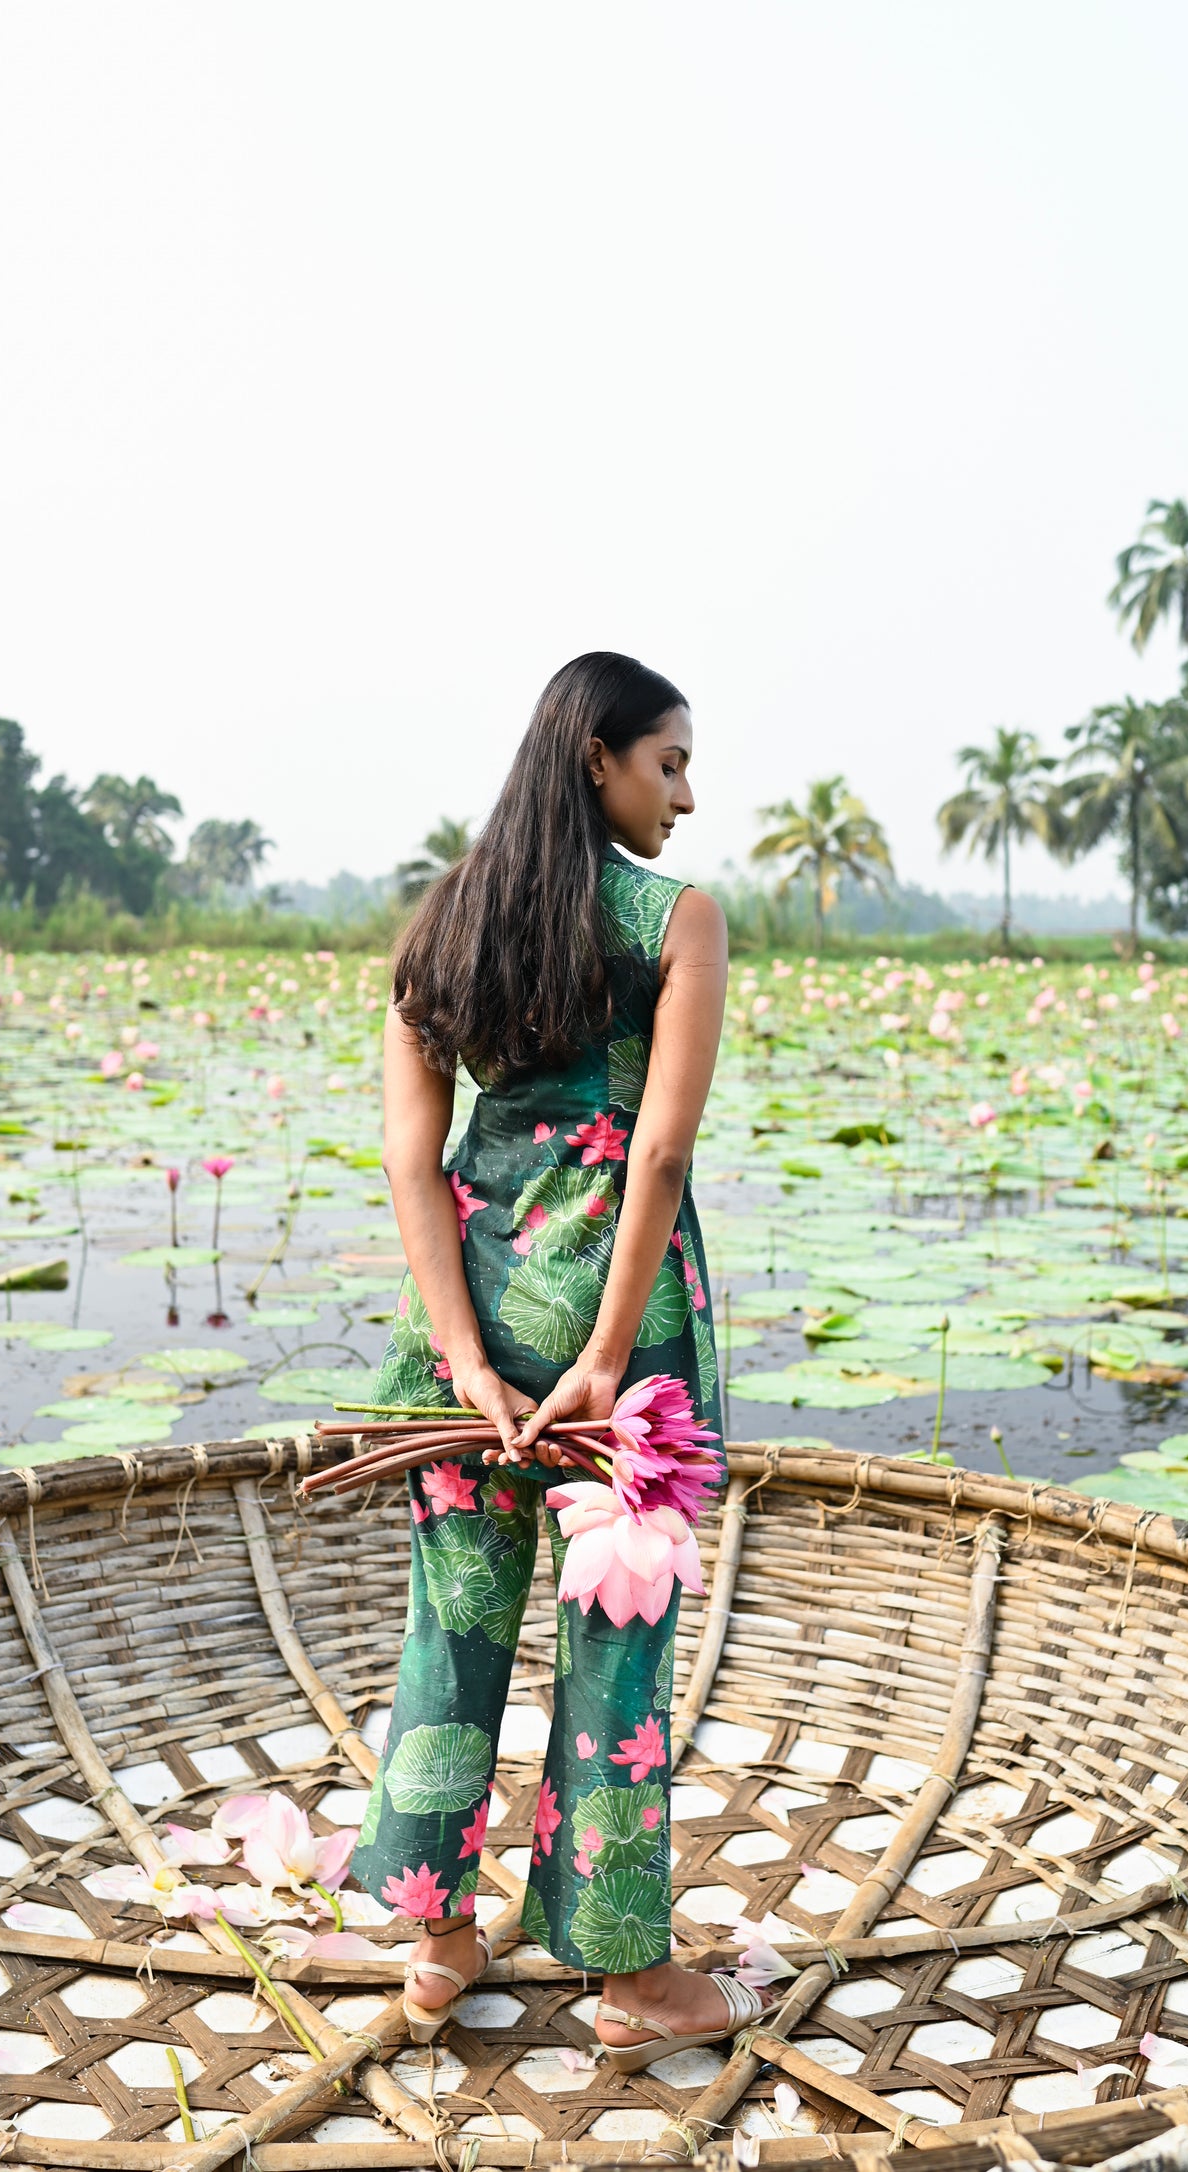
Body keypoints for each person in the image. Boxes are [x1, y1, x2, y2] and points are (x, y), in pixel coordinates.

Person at [351, 651, 764, 2069]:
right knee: (616, 1645)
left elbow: (411, 1155)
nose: (687, 796)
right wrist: (601, 1356)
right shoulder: (674, 919)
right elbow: (654, 1149)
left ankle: (437, 1937)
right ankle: (626, 1977)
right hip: (617, 1326)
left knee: (451, 1626)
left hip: (469, 1296)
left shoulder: (442, 922)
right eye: (669, 763)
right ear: (599, 757)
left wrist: (462, 1354)